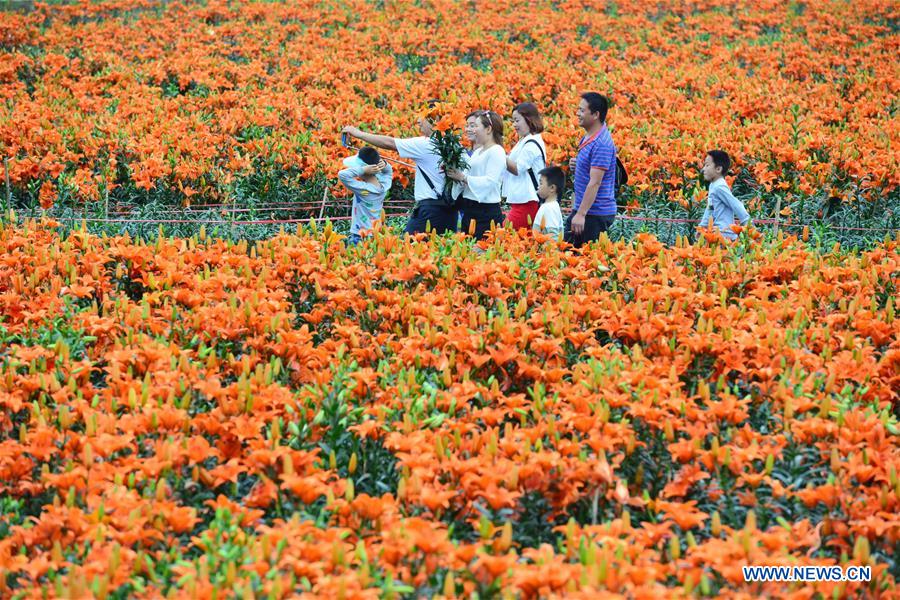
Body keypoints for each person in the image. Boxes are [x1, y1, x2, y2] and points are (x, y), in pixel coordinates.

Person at [342, 102, 457, 236]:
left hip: (430, 210)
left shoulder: (426, 143)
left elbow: (389, 143)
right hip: (451, 211)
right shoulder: (454, 144)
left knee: (408, 247)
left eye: (422, 117)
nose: (418, 121)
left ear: (434, 120)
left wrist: (358, 133)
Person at [565, 92, 617, 248]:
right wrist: (578, 164)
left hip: (594, 213)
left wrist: (581, 214)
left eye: (582, 110)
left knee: (583, 261)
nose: (577, 113)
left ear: (595, 114)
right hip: (586, 210)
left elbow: (595, 182)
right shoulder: (588, 136)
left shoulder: (601, 143)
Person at [446, 111, 507, 240]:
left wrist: (463, 177)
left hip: (486, 211)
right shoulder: (478, 151)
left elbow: (490, 181)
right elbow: (467, 175)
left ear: (488, 129)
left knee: (482, 251)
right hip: (470, 208)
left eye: (476, 126)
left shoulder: (497, 151)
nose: (473, 130)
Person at [337, 146, 392, 246]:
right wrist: (385, 164)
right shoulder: (384, 186)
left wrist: (362, 170)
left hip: (359, 235)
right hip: (375, 234)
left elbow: (342, 175)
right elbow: (388, 172)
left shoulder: (363, 189)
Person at [504, 102, 546, 230]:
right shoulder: (525, 140)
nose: (514, 125)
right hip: (521, 202)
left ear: (529, 119)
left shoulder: (531, 143)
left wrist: (498, 153)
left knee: (505, 237)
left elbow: (517, 168)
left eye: (517, 120)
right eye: (513, 121)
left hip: (527, 203)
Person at [698, 150, 751, 241]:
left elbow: (736, 204)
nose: (703, 169)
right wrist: (702, 227)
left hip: (724, 234)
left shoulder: (719, 186)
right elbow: (710, 208)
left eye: (707, 165)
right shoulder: (713, 185)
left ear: (718, 169)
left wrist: (748, 224)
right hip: (715, 232)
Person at [532, 166, 565, 240]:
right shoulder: (551, 206)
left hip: (547, 251)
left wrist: (549, 251)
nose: (538, 187)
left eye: (541, 183)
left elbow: (553, 237)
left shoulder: (549, 208)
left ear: (552, 188)